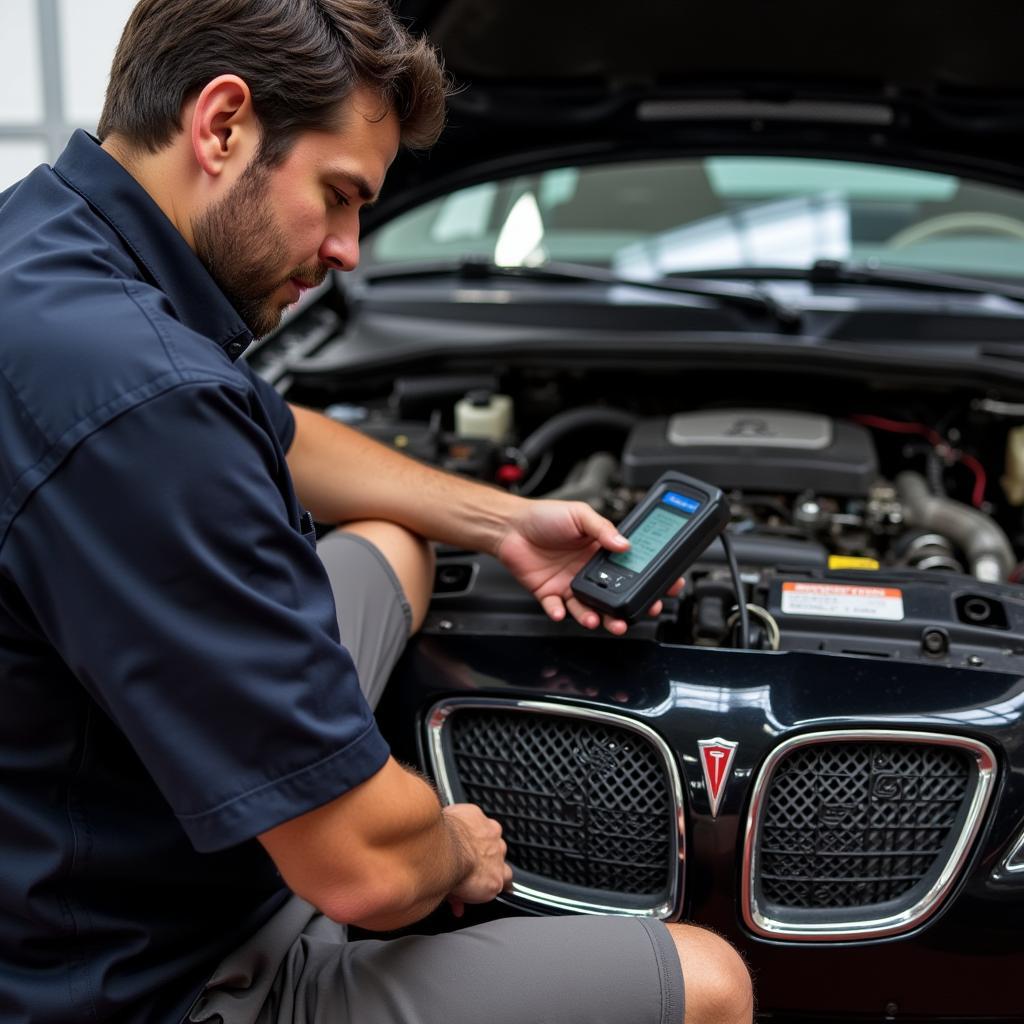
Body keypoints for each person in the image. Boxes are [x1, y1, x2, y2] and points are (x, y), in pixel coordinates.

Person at [0, 2, 754, 1023]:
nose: (351, 249)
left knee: (392, 547)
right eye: (340, 196)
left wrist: (498, 520)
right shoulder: (150, 408)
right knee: (709, 984)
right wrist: (443, 835)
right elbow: (364, 872)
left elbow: (274, 430)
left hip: (80, 820)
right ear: (221, 125)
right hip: (149, 973)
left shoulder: (48, 247)